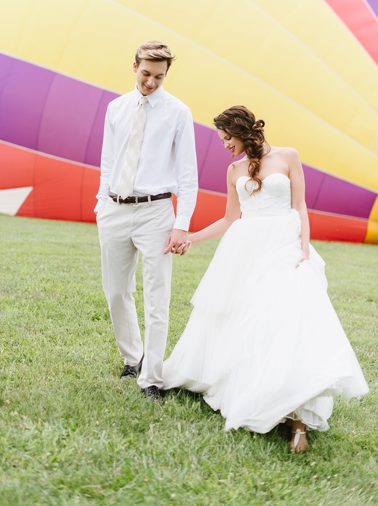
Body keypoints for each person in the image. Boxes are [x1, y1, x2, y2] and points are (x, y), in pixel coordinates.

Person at [162, 106, 368, 452]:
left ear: (243, 130)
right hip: (244, 250)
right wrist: (190, 238)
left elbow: (299, 207)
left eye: (228, 137)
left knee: (288, 320)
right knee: (246, 320)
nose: (225, 145)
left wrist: (303, 251)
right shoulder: (233, 170)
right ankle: (251, 388)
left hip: (283, 245)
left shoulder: (289, 156)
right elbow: (230, 218)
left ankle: (298, 420)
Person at [95, 41, 198, 399]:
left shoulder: (178, 112)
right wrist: (100, 203)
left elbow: (187, 174)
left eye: (159, 76)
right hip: (113, 208)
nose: (151, 82)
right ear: (134, 65)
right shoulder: (116, 108)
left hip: (156, 212)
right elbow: (109, 160)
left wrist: (181, 222)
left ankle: (152, 378)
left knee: (158, 296)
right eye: (145, 74)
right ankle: (132, 357)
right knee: (116, 291)